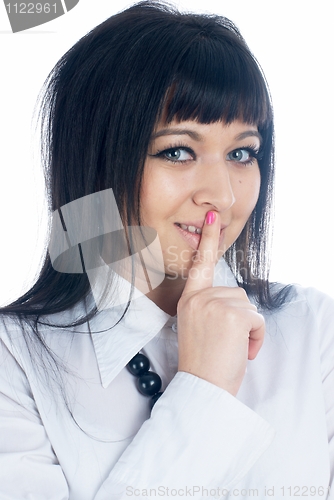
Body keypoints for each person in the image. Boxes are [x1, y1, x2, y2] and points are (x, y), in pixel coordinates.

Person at [0, 1, 333, 499]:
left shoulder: (312, 331)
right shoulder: (15, 362)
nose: (221, 194)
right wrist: (203, 390)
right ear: (98, 161)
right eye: (177, 151)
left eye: (242, 152)